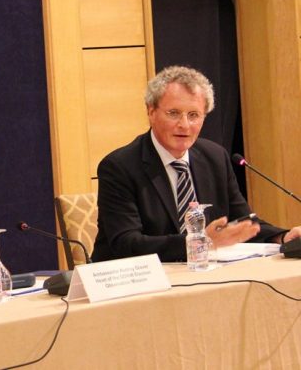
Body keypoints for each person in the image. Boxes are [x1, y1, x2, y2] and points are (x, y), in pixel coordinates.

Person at [91, 66, 301, 262]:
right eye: (173, 113)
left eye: (193, 115)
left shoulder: (215, 157)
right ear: (151, 112)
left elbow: (242, 223)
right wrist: (200, 243)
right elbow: (127, 244)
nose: (184, 125)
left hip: (201, 275)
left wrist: (283, 237)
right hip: (132, 280)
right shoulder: (119, 167)